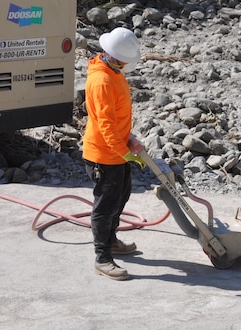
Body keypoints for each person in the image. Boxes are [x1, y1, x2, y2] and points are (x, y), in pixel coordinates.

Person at [82, 27, 146, 281]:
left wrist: (128, 139)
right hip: (103, 155)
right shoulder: (102, 80)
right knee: (105, 206)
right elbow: (104, 124)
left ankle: (112, 240)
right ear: (117, 56)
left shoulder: (112, 71)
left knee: (121, 196)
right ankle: (103, 257)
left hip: (117, 151)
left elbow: (115, 116)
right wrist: (123, 151)